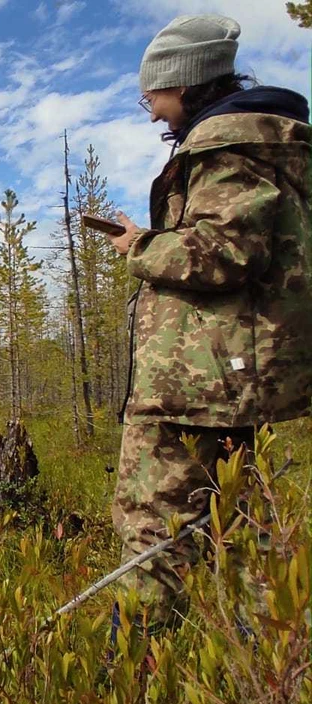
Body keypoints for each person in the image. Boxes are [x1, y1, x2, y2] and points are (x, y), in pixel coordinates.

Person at [106, 14, 312, 633]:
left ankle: (136, 669)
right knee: (238, 519)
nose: (148, 108)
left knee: (153, 519)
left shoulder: (226, 148)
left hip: (197, 383)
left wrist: (141, 247)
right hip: (226, 376)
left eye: (152, 93)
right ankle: (267, 661)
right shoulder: (250, 145)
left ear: (185, 81)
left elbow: (225, 251)